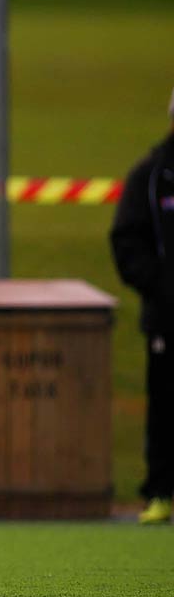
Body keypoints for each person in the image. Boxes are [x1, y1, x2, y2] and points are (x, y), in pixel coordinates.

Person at [109, 88, 174, 525]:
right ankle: (162, 493)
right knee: (166, 408)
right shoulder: (153, 175)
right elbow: (127, 241)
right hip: (168, 316)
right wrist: (162, 287)